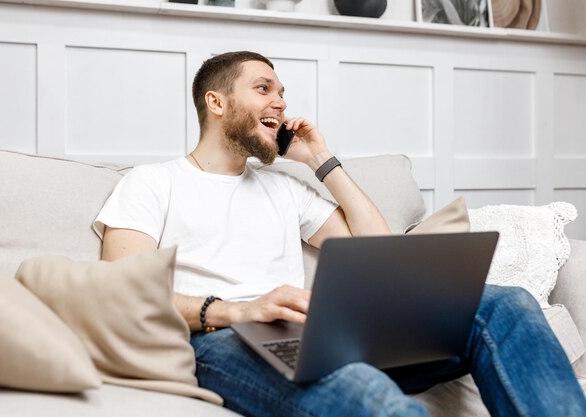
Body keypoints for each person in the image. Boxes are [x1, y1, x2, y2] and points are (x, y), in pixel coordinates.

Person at [94, 51, 586, 417]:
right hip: (224, 341)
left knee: (506, 303)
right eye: (264, 89)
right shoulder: (152, 182)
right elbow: (124, 291)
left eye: (282, 92)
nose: (281, 102)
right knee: (371, 398)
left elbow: (378, 253)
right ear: (216, 102)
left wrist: (319, 162)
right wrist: (237, 310)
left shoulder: (283, 188)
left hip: (321, 335)